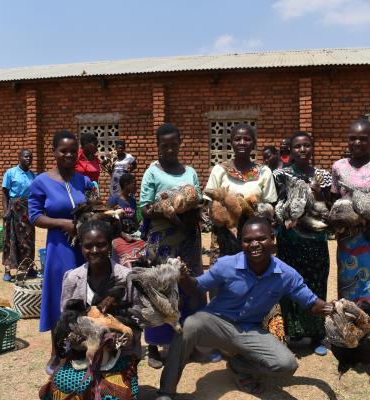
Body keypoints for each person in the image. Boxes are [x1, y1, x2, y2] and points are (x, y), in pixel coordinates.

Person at [155, 218, 334, 399]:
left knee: (287, 364)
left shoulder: (286, 274)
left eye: (261, 238)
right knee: (189, 325)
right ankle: (166, 392)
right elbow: (197, 288)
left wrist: (336, 308)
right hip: (215, 323)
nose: (254, 244)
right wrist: (184, 276)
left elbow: (311, 303)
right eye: (247, 240)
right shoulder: (226, 265)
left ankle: (239, 366)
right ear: (241, 243)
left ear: (272, 239)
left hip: (250, 330)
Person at [39, 219, 140, 399]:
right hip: (80, 351)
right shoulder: (72, 277)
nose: (94, 251)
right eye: (88, 246)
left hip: (119, 352)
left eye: (100, 245)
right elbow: (66, 319)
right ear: (81, 247)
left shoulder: (127, 277)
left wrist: (117, 338)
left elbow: (138, 319)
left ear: (109, 245)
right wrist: (76, 340)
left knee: (116, 394)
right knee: (62, 385)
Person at [28, 130, 94, 374]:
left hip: (84, 248)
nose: (68, 155)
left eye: (72, 151)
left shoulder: (82, 181)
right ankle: (57, 352)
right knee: (60, 298)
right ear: (54, 151)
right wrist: (64, 223)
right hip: (59, 247)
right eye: (63, 150)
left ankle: (83, 348)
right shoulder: (41, 182)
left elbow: (92, 207)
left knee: (85, 296)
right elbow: (34, 216)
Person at [140, 123, 204, 369]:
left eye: (173, 144)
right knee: (159, 289)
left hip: (189, 238)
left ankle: (188, 341)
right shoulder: (152, 172)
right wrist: (166, 210)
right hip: (162, 243)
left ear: (180, 143)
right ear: (157, 146)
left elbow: (196, 201)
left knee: (189, 286)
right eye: (163, 145)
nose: (168, 149)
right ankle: (155, 346)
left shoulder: (190, 172)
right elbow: (144, 208)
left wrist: (189, 214)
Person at [273, 131, 332, 356]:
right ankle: (292, 332)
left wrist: (318, 193)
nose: (303, 150)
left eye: (307, 145)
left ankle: (316, 334)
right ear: (291, 149)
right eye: (298, 146)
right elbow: (277, 203)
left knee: (316, 284)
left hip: (316, 240)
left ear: (312, 148)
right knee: (289, 283)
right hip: (289, 240)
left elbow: (328, 208)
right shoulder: (280, 174)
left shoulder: (323, 175)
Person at [205, 123, 277, 263]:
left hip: (255, 237)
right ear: (231, 142)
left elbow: (270, 205)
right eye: (237, 139)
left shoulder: (264, 172)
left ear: (254, 143)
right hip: (224, 235)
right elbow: (210, 203)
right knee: (225, 277)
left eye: (247, 139)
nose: (242, 143)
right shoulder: (219, 170)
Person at [331, 118, 370, 305]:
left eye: (363, 138)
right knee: (348, 286)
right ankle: (352, 330)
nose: (357, 142)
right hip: (348, 240)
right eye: (353, 138)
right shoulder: (339, 167)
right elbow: (334, 200)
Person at [2, 148, 36, 281]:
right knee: (10, 239)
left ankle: (29, 268)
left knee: (28, 239)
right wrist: (6, 210)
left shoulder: (33, 175)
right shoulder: (11, 173)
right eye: (26, 156)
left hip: (27, 210)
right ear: (19, 158)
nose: (29, 159)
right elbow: (5, 192)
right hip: (13, 209)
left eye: (30, 157)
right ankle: (7, 270)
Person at [108, 173, 145, 268]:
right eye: (134, 184)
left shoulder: (132, 200)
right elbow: (109, 221)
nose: (136, 187)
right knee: (120, 265)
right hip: (119, 237)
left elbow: (134, 218)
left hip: (132, 236)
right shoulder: (114, 200)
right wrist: (123, 235)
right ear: (125, 185)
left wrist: (139, 231)